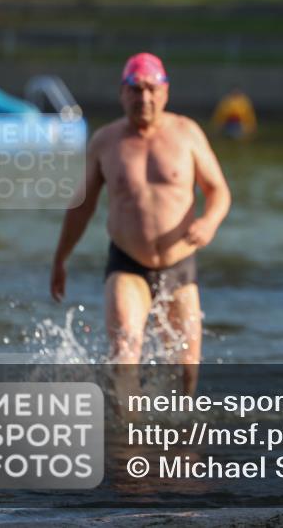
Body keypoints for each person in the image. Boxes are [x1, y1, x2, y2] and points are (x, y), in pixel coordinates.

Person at [50, 53, 231, 398]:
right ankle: (126, 443)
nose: (144, 98)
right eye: (135, 89)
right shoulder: (106, 141)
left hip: (179, 265)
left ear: (165, 92)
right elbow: (81, 206)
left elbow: (219, 191)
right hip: (127, 264)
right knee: (125, 352)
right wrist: (61, 258)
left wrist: (209, 223)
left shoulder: (187, 133)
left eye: (151, 89)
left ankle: (178, 443)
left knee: (187, 371)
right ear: (122, 93)